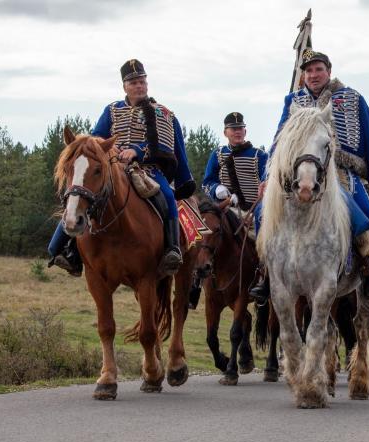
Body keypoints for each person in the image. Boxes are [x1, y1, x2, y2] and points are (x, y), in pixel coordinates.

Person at [254, 50, 369, 300]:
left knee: (365, 214)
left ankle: (368, 269)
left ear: (329, 71)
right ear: (303, 75)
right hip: (298, 172)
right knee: (262, 214)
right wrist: (267, 176)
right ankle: (265, 271)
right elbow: (279, 139)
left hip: (341, 172)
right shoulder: (293, 101)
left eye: (318, 69)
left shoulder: (352, 98)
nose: (313, 75)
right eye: (308, 71)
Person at [48, 59, 195, 277]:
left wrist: (136, 150)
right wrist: (106, 149)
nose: (139, 86)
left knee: (165, 195)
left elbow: (165, 145)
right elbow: (95, 139)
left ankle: (172, 249)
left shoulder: (162, 113)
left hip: (149, 169)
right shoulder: (112, 110)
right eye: (134, 82)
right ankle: (63, 249)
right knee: (81, 193)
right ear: (124, 86)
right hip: (114, 167)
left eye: (142, 82)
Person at [202, 112, 269, 303]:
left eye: (240, 129)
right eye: (233, 129)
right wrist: (217, 189)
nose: (237, 132)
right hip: (226, 208)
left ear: (245, 131)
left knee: (267, 238)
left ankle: (265, 276)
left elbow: (268, 180)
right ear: (226, 132)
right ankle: (196, 282)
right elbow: (206, 183)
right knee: (205, 232)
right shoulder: (217, 155)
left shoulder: (259, 155)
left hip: (254, 209)